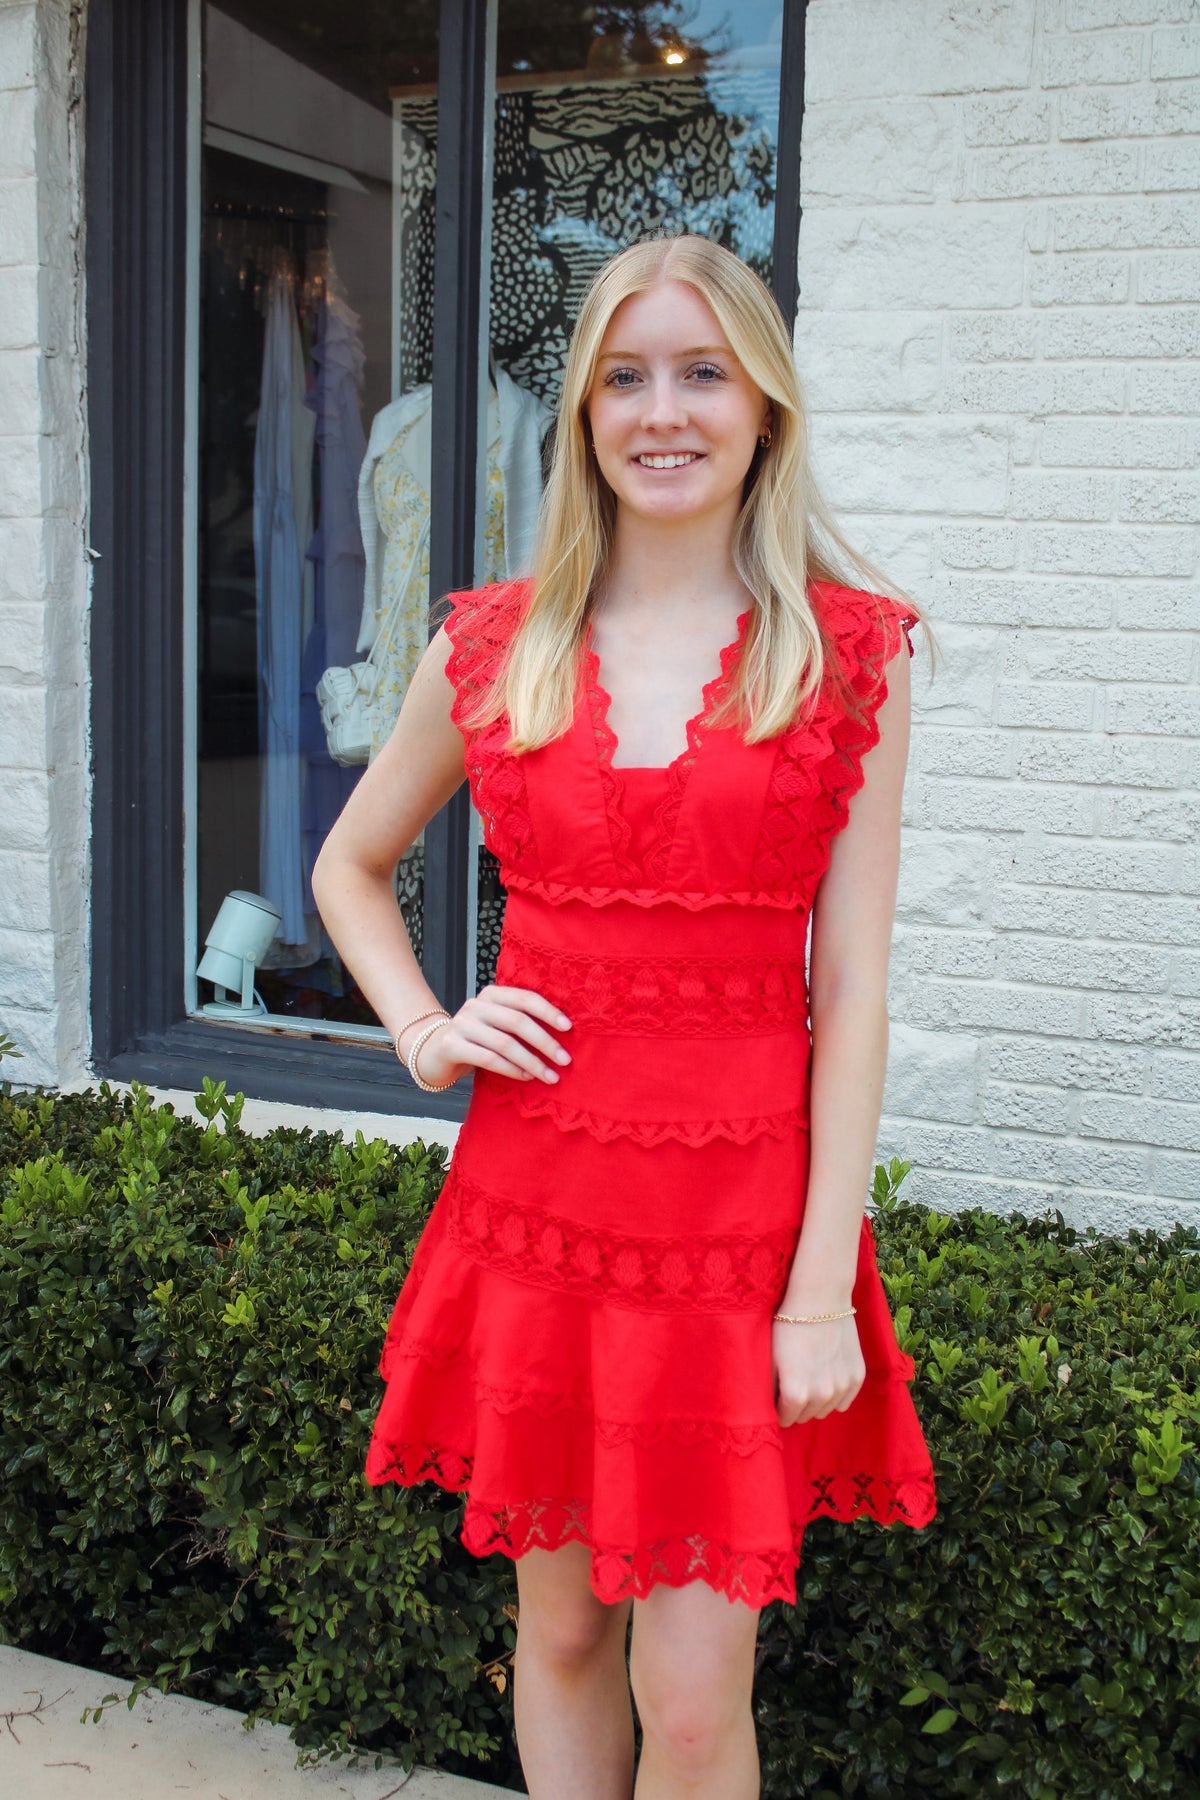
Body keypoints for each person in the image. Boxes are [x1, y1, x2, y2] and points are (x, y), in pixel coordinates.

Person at [311, 234, 937, 1800]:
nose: (665, 411)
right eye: (626, 375)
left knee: (696, 1691)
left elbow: (851, 988)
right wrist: (423, 1029)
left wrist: (813, 1296)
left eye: (704, 372)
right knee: (571, 1641)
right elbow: (350, 864)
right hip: (540, 1206)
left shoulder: (845, 650)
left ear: (765, 406)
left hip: (738, 1239)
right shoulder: (495, 641)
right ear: (583, 410)